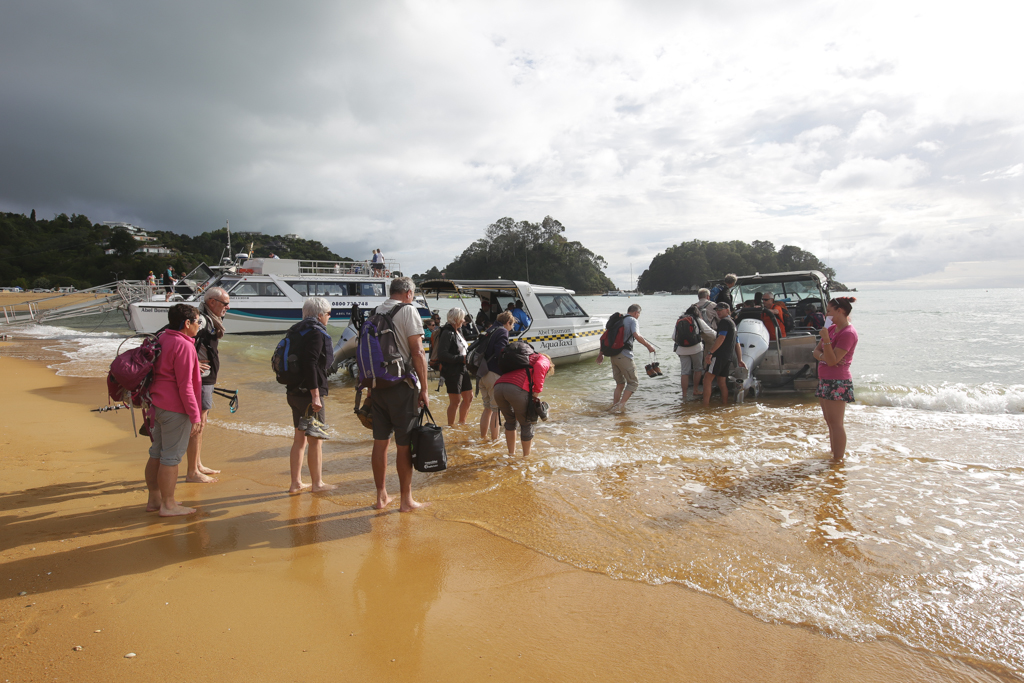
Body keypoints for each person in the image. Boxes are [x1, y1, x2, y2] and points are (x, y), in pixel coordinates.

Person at [369, 277, 428, 511]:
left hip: (377, 385)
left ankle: (381, 497)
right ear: (408, 293)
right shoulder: (408, 310)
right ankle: (406, 500)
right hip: (402, 386)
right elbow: (418, 351)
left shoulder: (375, 311)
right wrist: (424, 388)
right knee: (404, 444)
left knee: (380, 442)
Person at [145, 304, 203, 516]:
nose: (199, 326)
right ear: (187, 323)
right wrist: (195, 416)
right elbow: (185, 385)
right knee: (170, 458)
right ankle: (168, 505)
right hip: (174, 409)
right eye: (198, 322)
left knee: (156, 454)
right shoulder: (184, 345)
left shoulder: (163, 338)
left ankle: (154, 499)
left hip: (156, 404)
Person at [285, 297, 337, 494]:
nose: (329, 317)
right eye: (328, 314)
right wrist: (315, 395)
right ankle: (317, 484)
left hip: (293, 392)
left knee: (299, 439)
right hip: (309, 395)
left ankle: (295, 483)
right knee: (316, 440)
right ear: (320, 315)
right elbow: (310, 364)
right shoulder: (316, 333)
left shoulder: (295, 330)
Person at [185, 287, 230, 483]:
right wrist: (194, 363)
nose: (228, 307)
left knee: (201, 423)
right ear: (212, 302)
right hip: (200, 379)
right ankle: (192, 472)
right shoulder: (202, 320)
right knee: (198, 423)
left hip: (205, 378)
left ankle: (198, 464)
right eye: (225, 304)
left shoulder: (207, 318)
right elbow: (183, 343)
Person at [813, 297, 859, 463]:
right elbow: (815, 352)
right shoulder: (832, 328)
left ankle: (838, 461)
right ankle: (834, 455)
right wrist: (825, 356)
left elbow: (832, 361)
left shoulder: (848, 333)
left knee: (836, 423)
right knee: (829, 422)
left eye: (829, 311)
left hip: (837, 381)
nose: (827, 315)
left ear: (840, 311)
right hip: (825, 378)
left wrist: (826, 343)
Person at [595, 303, 656, 412]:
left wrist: (601, 354)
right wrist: (649, 346)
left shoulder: (619, 320)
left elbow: (604, 337)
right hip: (624, 356)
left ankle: (615, 406)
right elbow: (636, 335)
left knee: (620, 383)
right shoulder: (633, 320)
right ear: (636, 313)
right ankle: (620, 406)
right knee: (633, 383)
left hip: (613, 356)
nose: (638, 316)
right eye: (639, 314)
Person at [493, 352, 554, 457]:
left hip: (498, 387)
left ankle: (511, 454)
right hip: (516, 388)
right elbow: (539, 366)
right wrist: (535, 395)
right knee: (526, 424)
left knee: (510, 422)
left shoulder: (524, 358)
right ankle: (525, 458)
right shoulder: (543, 359)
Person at [478, 311, 515, 440]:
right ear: (508, 322)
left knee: (487, 408)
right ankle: (494, 440)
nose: (512, 328)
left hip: (482, 373)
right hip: (493, 374)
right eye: (512, 325)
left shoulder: (490, 330)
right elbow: (500, 353)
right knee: (495, 410)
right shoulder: (502, 331)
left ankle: (483, 437)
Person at [702, 302, 746, 407]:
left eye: (720, 310)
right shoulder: (733, 323)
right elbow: (737, 343)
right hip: (728, 357)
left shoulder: (724, 322)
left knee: (706, 380)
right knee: (722, 382)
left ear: (727, 310)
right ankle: (725, 405)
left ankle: (705, 407)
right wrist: (740, 359)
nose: (718, 312)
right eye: (716, 310)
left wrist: (710, 353)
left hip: (719, 356)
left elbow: (721, 338)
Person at [435, 307, 474, 425]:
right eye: (462, 318)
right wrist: (461, 358)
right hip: (452, 370)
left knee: (469, 397)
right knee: (455, 401)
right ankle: (451, 427)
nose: (464, 321)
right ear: (457, 319)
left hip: (463, 368)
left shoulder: (458, 330)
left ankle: (462, 423)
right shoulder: (447, 333)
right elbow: (442, 354)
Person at [674, 305, 714, 399]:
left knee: (684, 371)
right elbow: (709, 332)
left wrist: (683, 343)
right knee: (697, 369)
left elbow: (673, 337)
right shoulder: (696, 319)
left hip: (682, 349)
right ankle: (695, 390)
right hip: (696, 348)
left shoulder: (680, 320)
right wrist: (719, 336)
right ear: (697, 312)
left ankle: (684, 394)